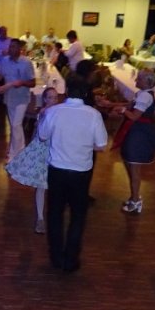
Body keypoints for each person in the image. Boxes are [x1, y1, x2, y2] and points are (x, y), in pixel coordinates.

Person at [38, 74, 108, 272]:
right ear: (85, 93)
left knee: (55, 214)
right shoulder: (93, 114)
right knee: (78, 215)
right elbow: (102, 145)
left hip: (57, 170)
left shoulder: (54, 111)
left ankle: (56, 257)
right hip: (81, 172)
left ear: (67, 91)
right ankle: (71, 259)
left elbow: (42, 136)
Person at [6, 87, 59, 234]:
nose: (53, 100)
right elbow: (41, 134)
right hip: (44, 151)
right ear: (45, 99)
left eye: (55, 97)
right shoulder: (45, 112)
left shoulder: (57, 112)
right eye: (50, 97)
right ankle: (40, 218)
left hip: (55, 151)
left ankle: (49, 217)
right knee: (41, 185)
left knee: (51, 186)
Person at [113, 69, 155, 214]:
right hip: (135, 132)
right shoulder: (142, 94)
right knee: (130, 165)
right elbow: (130, 105)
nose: (136, 81)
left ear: (147, 82)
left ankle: (135, 201)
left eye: (139, 79)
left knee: (134, 168)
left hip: (140, 135)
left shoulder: (145, 96)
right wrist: (110, 104)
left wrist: (121, 110)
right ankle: (134, 197)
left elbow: (134, 116)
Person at [0, 40, 36, 161]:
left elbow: (33, 83)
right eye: (10, 46)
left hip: (22, 98)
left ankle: (14, 154)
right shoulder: (4, 61)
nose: (10, 49)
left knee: (16, 125)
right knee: (14, 126)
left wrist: (22, 83)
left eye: (13, 47)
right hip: (9, 98)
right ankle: (19, 151)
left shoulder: (26, 63)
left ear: (20, 49)